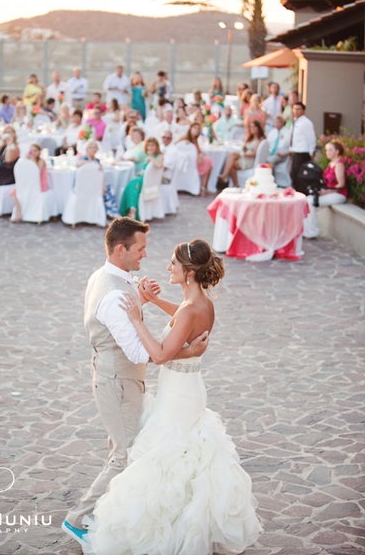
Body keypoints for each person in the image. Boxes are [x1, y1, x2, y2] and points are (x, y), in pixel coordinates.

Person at [85, 238, 262, 555]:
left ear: (189, 273)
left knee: (165, 457)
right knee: (188, 453)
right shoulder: (203, 304)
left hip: (178, 394)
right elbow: (182, 316)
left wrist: (137, 320)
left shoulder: (191, 309)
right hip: (190, 388)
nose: (167, 267)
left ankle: (164, 531)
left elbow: (161, 354)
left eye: (173, 264)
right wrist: (154, 302)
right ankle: (186, 522)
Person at [61, 219, 208, 550]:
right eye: (140, 249)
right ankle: (78, 519)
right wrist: (187, 351)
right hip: (119, 383)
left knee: (122, 448)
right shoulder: (113, 293)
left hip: (119, 379)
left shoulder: (108, 278)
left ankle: (107, 512)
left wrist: (142, 301)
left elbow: (115, 320)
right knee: (125, 455)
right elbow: (142, 352)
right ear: (121, 249)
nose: (145, 254)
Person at [303, 140, 348, 238]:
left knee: (310, 202)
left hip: (339, 194)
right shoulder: (331, 163)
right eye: (327, 150)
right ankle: (307, 230)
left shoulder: (339, 165)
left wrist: (326, 192)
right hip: (330, 193)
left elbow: (341, 185)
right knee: (308, 201)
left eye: (331, 150)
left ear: (337, 151)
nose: (328, 152)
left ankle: (312, 231)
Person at [120, 137, 164, 219]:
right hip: (143, 178)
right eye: (148, 145)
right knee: (131, 185)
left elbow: (159, 165)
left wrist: (151, 158)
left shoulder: (159, 156)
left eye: (152, 145)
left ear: (156, 146)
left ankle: (132, 210)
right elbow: (146, 170)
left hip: (149, 182)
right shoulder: (148, 155)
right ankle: (132, 209)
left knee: (132, 185)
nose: (150, 148)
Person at [218, 119, 265, 189]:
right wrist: (242, 152)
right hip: (245, 157)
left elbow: (254, 153)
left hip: (250, 160)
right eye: (251, 127)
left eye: (254, 127)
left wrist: (243, 155)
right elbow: (243, 148)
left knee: (231, 163)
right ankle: (232, 181)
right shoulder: (250, 138)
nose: (252, 129)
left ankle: (229, 178)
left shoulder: (260, 139)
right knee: (231, 157)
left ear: (258, 128)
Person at [10, 142, 48, 223]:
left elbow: (38, 173)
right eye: (31, 150)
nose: (33, 152)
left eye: (35, 151)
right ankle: (18, 212)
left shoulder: (41, 161)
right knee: (14, 192)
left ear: (39, 152)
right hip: (29, 183)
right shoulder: (26, 160)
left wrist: (33, 161)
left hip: (39, 184)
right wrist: (26, 159)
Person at [288, 102, 317, 192]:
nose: (296, 111)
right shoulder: (295, 121)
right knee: (294, 175)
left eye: (298, 109)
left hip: (303, 153)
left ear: (303, 111)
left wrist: (311, 152)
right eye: (294, 109)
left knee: (301, 176)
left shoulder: (306, 123)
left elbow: (311, 139)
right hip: (295, 152)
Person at [266, 115, 291, 185]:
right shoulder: (272, 132)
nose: (277, 124)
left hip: (282, 155)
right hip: (271, 154)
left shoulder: (287, 133)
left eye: (278, 122)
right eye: (275, 123)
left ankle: (271, 182)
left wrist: (282, 154)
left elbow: (291, 149)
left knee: (270, 161)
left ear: (283, 122)